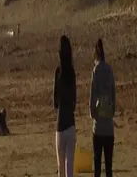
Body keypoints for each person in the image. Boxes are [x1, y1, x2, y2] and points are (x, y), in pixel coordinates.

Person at [90, 38, 117, 177]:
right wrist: (112, 112)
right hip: (109, 128)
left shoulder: (96, 70)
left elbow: (92, 95)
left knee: (97, 165)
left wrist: (92, 114)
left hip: (98, 127)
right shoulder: (109, 69)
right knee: (108, 167)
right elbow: (113, 93)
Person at [53, 35, 77, 177]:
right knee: (69, 169)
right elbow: (74, 99)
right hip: (71, 124)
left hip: (60, 124)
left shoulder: (58, 72)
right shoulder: (71, 72)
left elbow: (55, 101)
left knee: (60, 169)